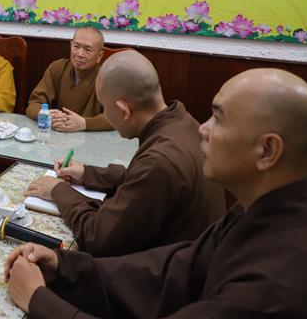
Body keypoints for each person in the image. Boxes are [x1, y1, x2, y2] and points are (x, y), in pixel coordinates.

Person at [5, 68, 307, 318]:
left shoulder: (275, 284)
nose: (202, 128)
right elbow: (172, 270)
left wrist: (38, 300)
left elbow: (105, 238)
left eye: (219, 119)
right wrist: (63, 266)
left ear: (267, 150)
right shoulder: (257, 211)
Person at [25, 50, 224, 256]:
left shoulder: (160, 160)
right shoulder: (182, 122)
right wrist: (86, 173)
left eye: (104, 107)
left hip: (170, 270)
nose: (106, 115)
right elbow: (138, 177)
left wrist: (58, 191)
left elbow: (98, 238)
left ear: (124, 110)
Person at [25, 27, 110, 131]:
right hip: (57, 133)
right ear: (71, 46)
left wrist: (85, 123)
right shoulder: (57, 68)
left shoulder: (107, 78)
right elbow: (34, 104)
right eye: (76, 46)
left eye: (88, 50)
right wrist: (46, 115)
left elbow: (115, 117)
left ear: (99, 56)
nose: (80, 54)